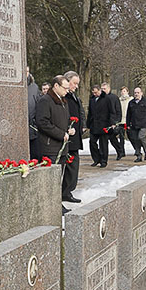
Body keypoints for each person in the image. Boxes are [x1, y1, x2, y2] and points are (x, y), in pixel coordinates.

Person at [35, 76, 76, 211]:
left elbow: (61, 120)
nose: (67, 91)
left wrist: (68, 130)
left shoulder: (63, 101)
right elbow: (42, 122)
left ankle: (57, 204)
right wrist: (60, 134)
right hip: (50, 147)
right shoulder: (45, 101)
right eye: (65, 88)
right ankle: (50, 206)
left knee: (59, 178)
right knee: (50, 180)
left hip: (61, 146)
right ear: (56, 86)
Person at [62, 71, 86, 202]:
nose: (76, 86)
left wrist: (83, 125)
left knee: (73, 167)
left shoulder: (74, 96)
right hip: (68, 137)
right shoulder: (64, 97)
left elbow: (80, 111)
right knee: (69, 167)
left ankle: (68, 192)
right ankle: (65, 192)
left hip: (75, 137)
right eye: (74, 83)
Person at [126, 86, 146, 162]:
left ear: (141, 93)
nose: (136, 94)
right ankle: (138, 155)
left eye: (138, 92)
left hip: (143, 124)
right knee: (135, 140)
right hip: (134, 124)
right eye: (135, 93)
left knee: (141, 137)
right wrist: (128, 124)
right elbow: (128, 115)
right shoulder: (131, 103)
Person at [102, 82, 126, 160]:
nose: (103, 90)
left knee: (112, 138)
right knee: (105, 139)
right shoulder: (101, 98)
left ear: (109, 89)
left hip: (113, 122)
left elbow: (118, 110)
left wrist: (116, 122)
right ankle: (104, 156)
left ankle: (120, 151)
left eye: (104, 89)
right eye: (102, 89)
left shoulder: (114, 97)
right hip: (103, 122)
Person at [27, 72, 42, 162]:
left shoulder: (34, 87)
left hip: (33, 129)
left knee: (35, 157)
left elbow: (38, 107)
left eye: (27, 71)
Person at [87, 85, 101, 165]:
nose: (95, 94)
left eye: (96, 92)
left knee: (102, 144)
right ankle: (96, 159)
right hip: (93, 124)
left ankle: (102, 159)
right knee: (92, 142)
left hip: (102, 124)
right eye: (93, 93)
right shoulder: (92, 100)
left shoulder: (105, 99)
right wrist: (88, 125)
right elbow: (90, 113)